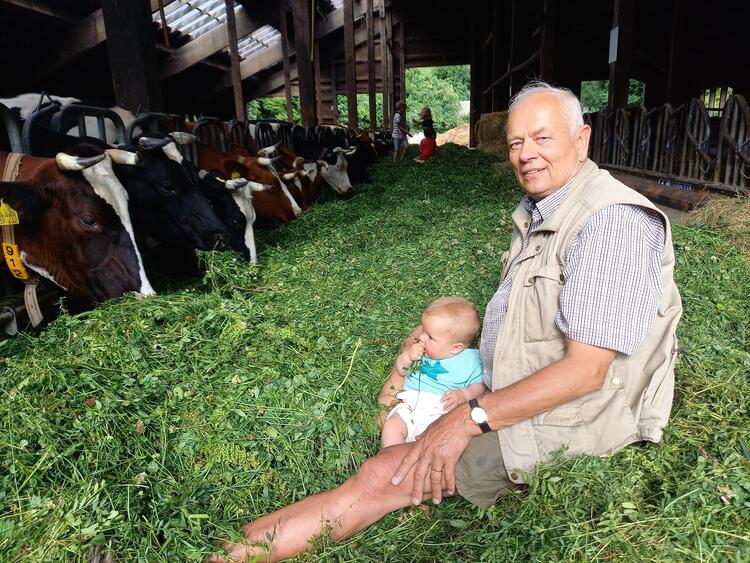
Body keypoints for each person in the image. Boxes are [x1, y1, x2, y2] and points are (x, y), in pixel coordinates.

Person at [209, 81, 682, 562]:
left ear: (581, 140)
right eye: (516, 142)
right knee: (392, 462)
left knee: (384, 475)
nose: (525, 154)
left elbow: (587, 372)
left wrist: (470, 418)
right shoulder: (544, 208)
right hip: (510, 394)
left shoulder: (611, 223)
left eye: (543, 139)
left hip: (574, 418)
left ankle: (229, 556)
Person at [378, 297, 487, 448]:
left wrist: (464, 394)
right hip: (411, 405)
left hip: (444, 412)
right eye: (423, 330)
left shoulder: (471, 359)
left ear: (456, 348)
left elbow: (480, 385)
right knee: (392, 427)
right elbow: (400, 368)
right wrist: (407, 357)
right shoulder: (419, 351)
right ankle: (391, 459)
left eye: (430, 336)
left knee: (441, 444)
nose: (421, 338)